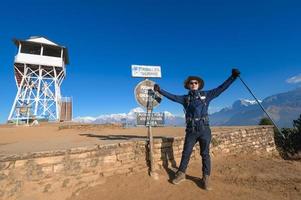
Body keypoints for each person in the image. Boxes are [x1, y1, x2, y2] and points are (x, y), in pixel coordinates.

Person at [153, 68, 240, 190]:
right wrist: (160, 90)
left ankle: (206, 178)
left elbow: (221, 88)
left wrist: (233, 77)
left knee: (205, 154)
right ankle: (181, 174)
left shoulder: (207, 95)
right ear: (188, 86)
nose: (193, 84)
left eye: (195, 83)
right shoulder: (185, 99)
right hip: (191, 131)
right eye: (191, 83)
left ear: (198, 85)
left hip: (205, 130)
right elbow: (172, 97)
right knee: (186, 153)